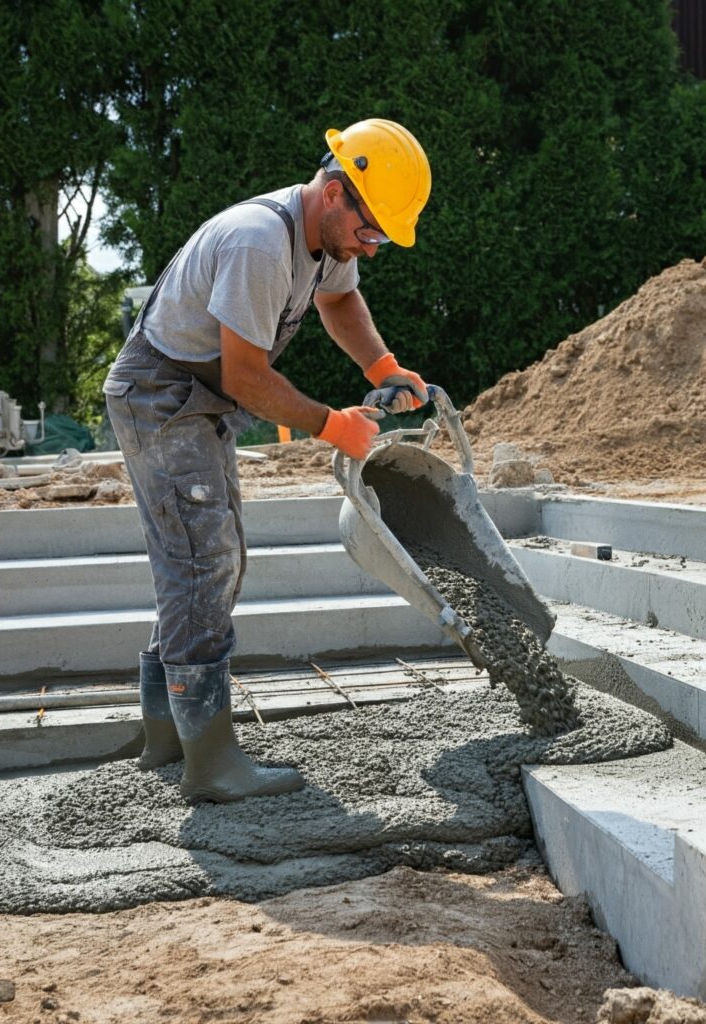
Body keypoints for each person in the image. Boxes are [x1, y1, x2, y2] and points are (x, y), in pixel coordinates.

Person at [104, 118, 432, 804]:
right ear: (337, 192)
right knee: (204, 558)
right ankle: (211, 765)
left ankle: (168, 738)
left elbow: (340, 298)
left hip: (192, 396)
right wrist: (330, 425)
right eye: (370, 232)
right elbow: (247, 377)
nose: (369, 250)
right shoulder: (259, 242)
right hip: (161, 394)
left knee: (206, 556)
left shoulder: (324, 235)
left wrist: (383, 364)